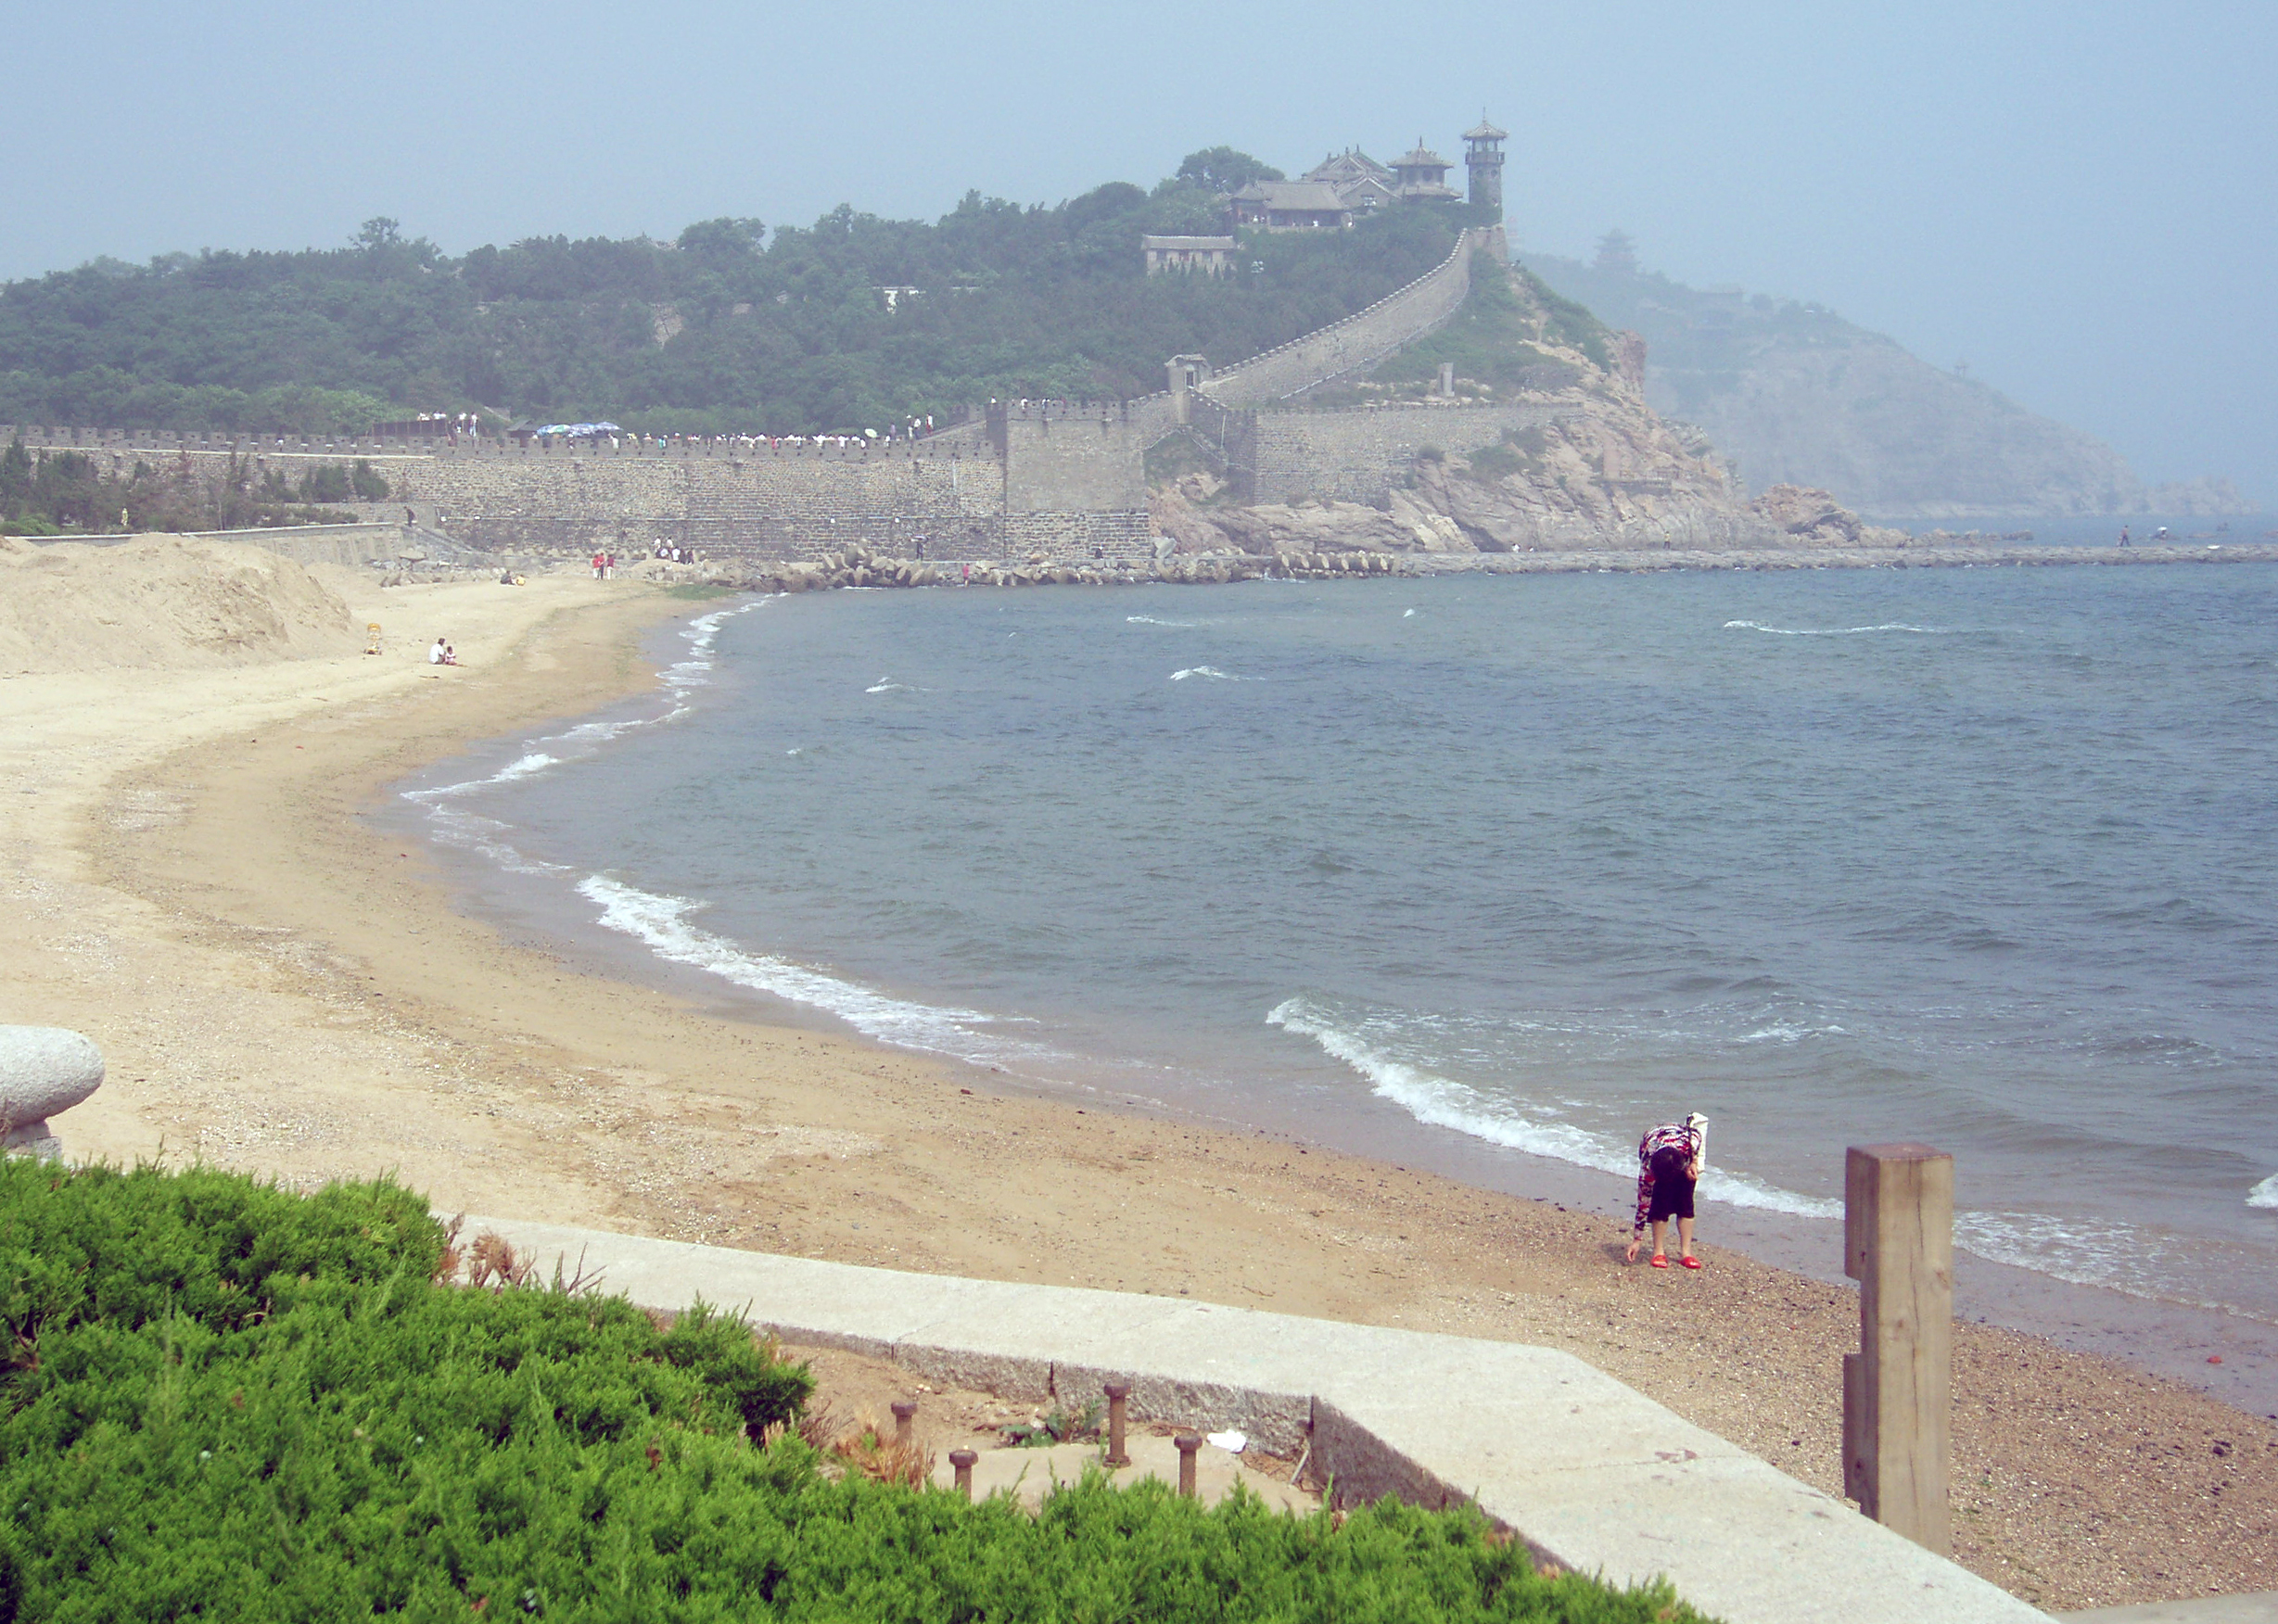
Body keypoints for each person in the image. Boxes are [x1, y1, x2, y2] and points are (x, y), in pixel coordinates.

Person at [1624, 1112, 1709, 1269]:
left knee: (1686, 1205)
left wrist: (1693, 1162)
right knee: (1660, 1205)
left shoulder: (1690, 1142)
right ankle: (1658, 1251)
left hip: (1679, 1149)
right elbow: (1643, 1204)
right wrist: (1637, 1240)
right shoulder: (1648, 1166)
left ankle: (1686, 1253)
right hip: (1655, 1140)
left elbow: (1697, 1136)